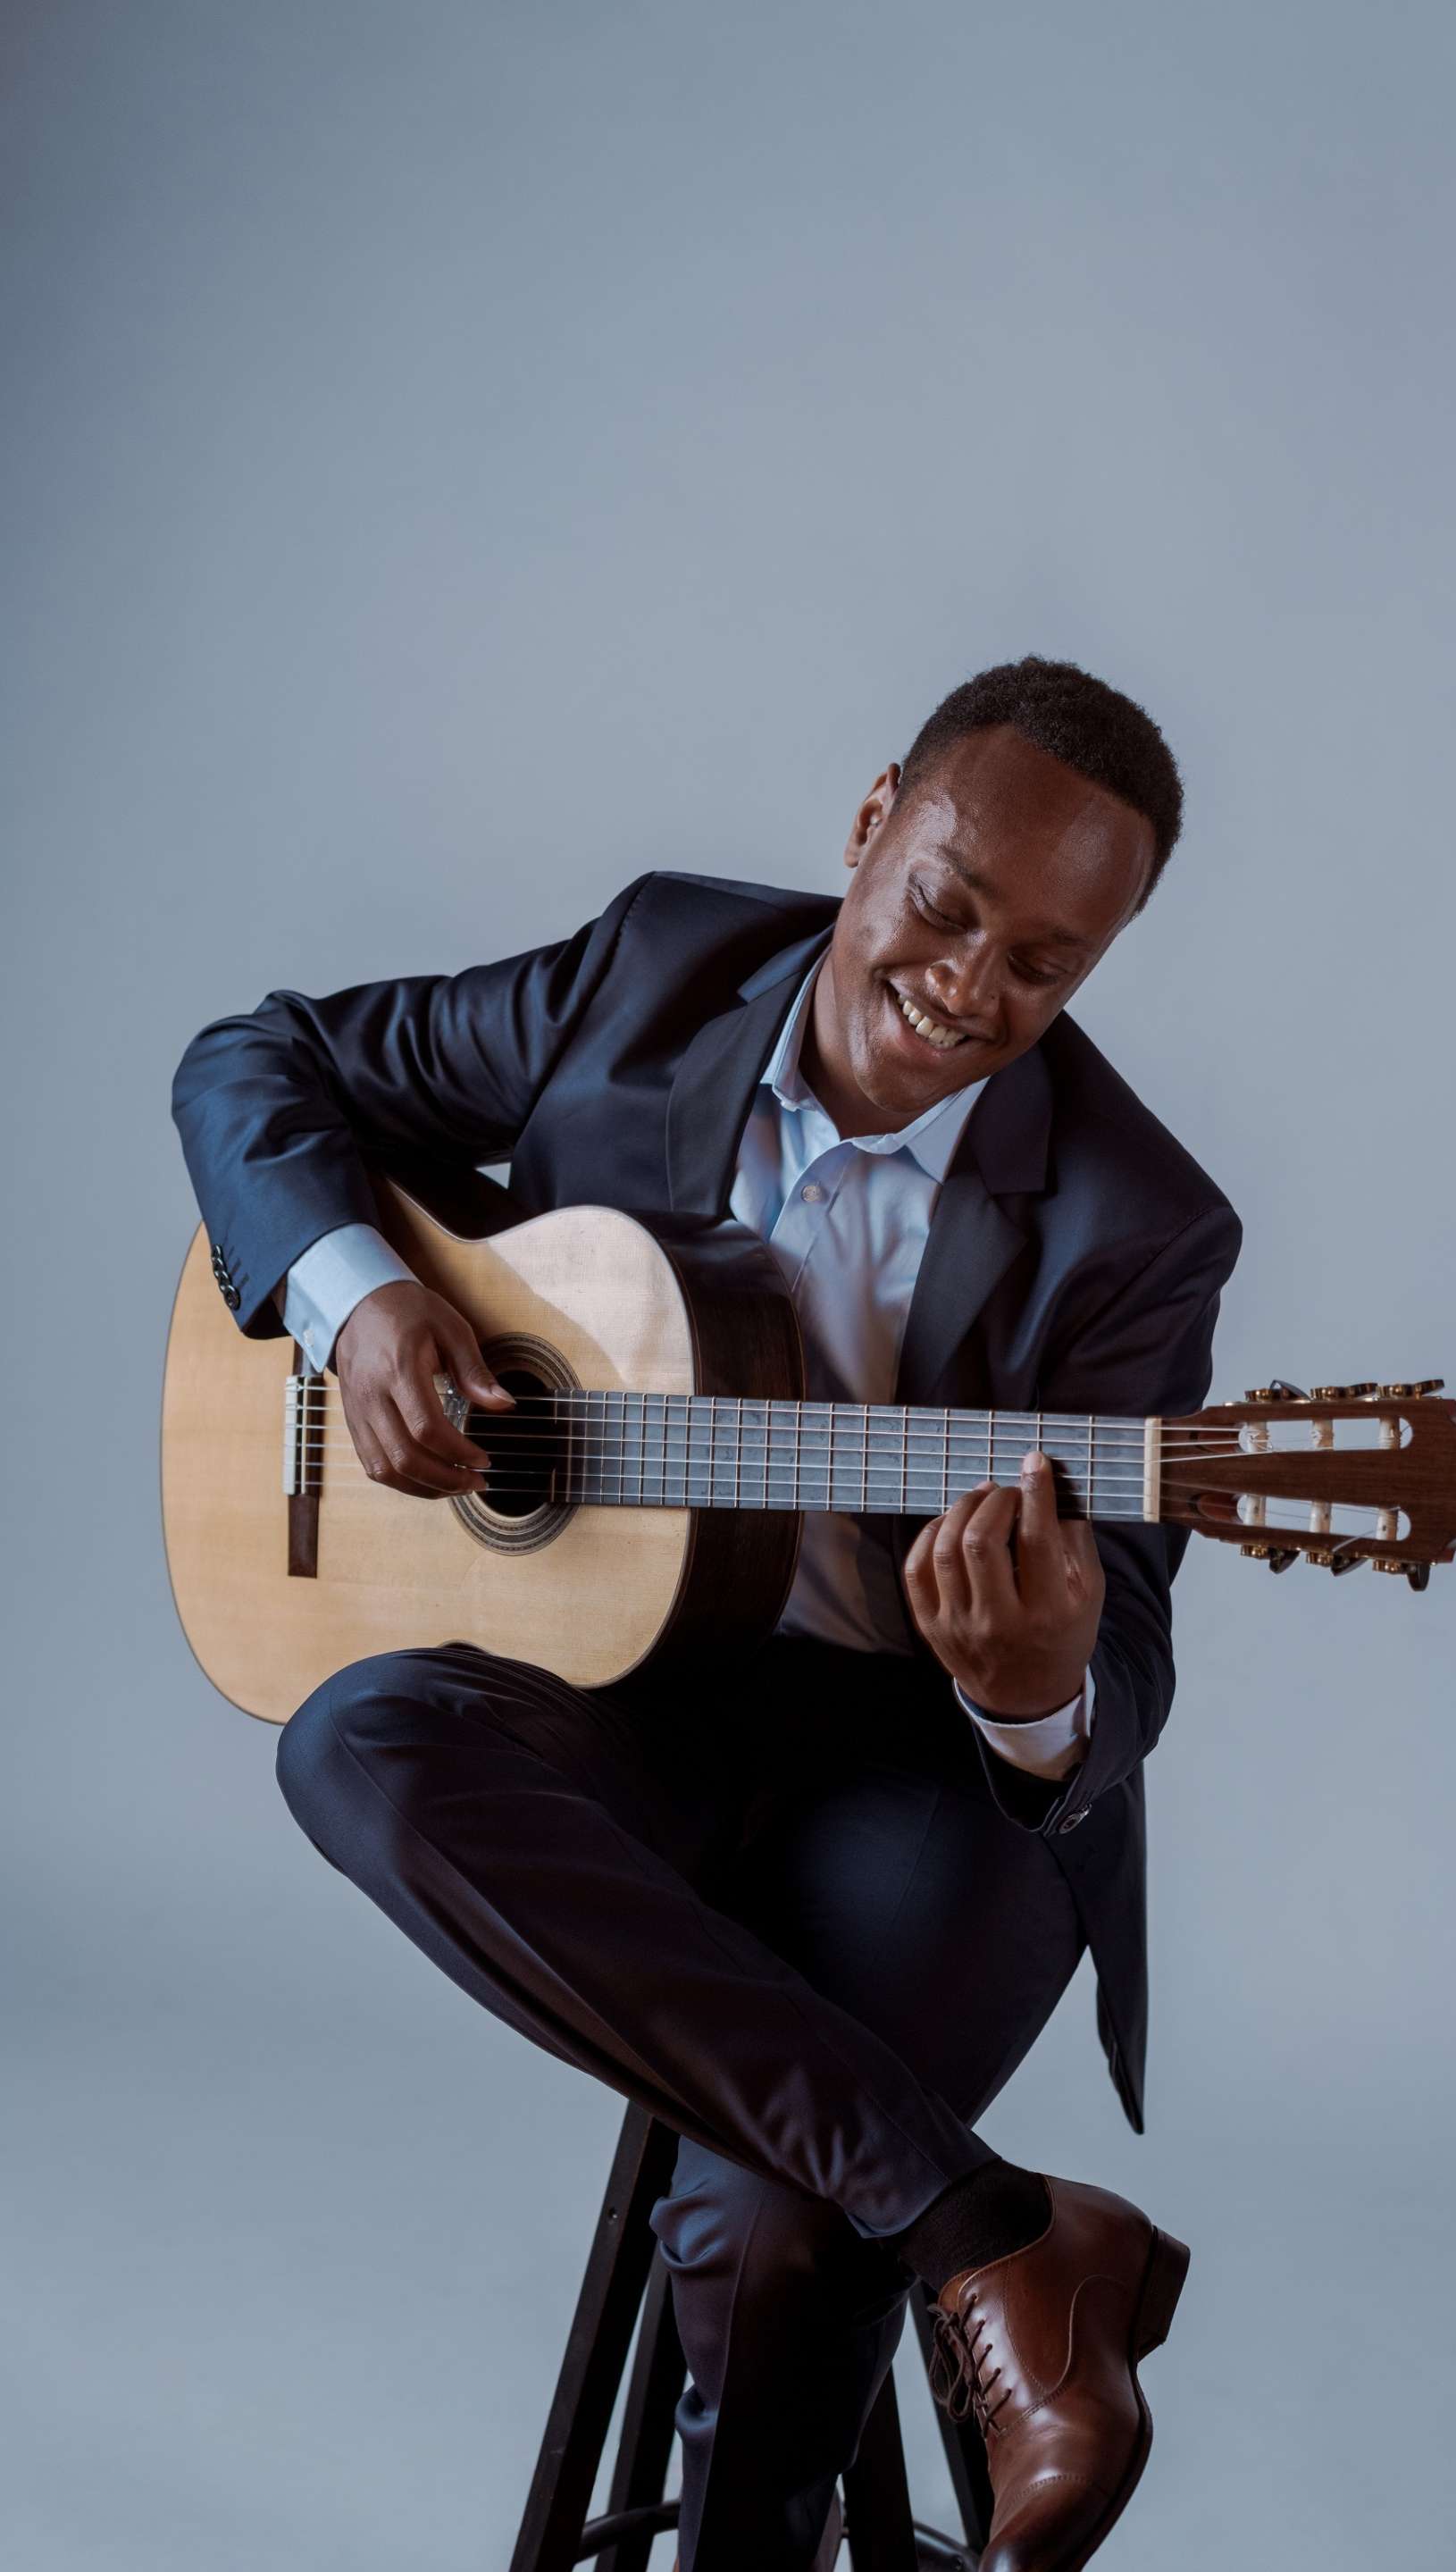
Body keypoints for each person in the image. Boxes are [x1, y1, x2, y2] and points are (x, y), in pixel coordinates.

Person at [172, 654, 1243, 2572]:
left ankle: (911, 2291)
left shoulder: (1139, 1221)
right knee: (354, 1742)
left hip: (920, 1779)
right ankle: (999, 2235)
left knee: (767, 2228)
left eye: (1045, 964)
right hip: (627, 1701)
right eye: (946, 905)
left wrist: (1039, 1687)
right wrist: (359, 1298)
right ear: (870, 823)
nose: (970, 986)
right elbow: (255, 1063)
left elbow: (1126, 1654)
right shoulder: (651, 971)